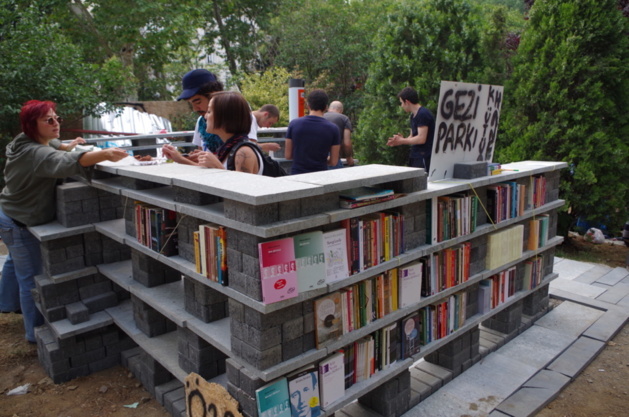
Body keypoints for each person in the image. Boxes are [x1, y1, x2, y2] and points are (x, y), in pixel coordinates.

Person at [0, 100, 128, 343]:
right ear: (31, 125)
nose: (56, 123)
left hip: (8, 212)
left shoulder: (25, 140)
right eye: (48, 120)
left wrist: (68, 145)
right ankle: (33, 333)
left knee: (14, 262)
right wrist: (104, 153)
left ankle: (6, 304)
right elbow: (61, 162)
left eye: (56, 118)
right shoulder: (35, 153)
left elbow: (55, 146)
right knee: (30, 278)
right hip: (17, 221)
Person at [163, 91, 263, 174]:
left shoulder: (243, 152)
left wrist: (216, 166)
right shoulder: (228, 148)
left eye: (209, 111)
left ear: (224, 117)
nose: (205, 116)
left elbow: (243, 193)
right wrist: (180, 159)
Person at [285, 89, 340, 175]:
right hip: (320, 175)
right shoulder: (333, 128)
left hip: (297, 175)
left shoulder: (294, 124)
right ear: (326, 107)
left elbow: (288, 156)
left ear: (308, 105)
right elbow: (333, 162)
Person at [177, 69, 224, 159]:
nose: (195, 109)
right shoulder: (201, 122)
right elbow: (203, 156)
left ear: (214, 95)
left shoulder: (239, 117)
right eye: (191, 104)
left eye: (198, 102)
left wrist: (180, 159)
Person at [387, 87, 435, 173]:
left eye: (402, 103)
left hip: (424, 156)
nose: (401, 106)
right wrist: (400, 140)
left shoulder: (423, 114)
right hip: (415, 156)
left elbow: (421, 139)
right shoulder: (413, 116)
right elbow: (412, 136)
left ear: (407, 102)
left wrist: (402, 141)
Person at [323, 100, 355, 168]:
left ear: (328, 108)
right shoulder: (344, 118)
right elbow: (346, 143)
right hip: (333, 156)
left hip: (319, 156)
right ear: (341, 110)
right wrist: (349, 157)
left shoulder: (320, 116)